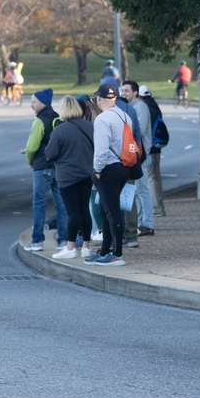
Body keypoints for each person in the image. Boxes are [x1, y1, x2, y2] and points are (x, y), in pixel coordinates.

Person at [86, 81, 132, 266]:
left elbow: (102, 150)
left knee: (111, 211)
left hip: (108, 169)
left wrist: (97, 170)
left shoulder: (102, 119)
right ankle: (105, 250)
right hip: (124, 166)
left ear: (99, 98)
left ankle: (117, 253)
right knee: (108, 210)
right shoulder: (124, 115)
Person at [44, 96, 95, 260]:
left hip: (67, 177)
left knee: (73, 212)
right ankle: (86, 246)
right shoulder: (89, 127)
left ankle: (71, 246)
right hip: (87, 174)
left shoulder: (59, 131)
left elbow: (50, 154)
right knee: (84, 210)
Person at [21, 88, 68, 252]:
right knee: (61, 204)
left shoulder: (39, 122)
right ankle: (63, 241)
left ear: (42, 103)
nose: (31, 105)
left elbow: (33, 146)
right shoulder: (57, 119)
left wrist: (30, 160)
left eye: (33, 101)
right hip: (58, 166)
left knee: (39, 203)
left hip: (42, 166)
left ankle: (37, 241)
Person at [120, 80, 155, 236]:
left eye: (127, 90)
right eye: (122, 90)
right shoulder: (129, 107)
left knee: (142, 191)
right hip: (132, 155)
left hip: (141, 155)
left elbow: (137, 132)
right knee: (135, 191)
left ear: (135, 92)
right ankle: (140, 223)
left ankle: (147, 224)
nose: (124, 93)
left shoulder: (140, 107)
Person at [138, 85, 167, 216]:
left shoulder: (145, 109)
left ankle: (157, 208)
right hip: (158, 147)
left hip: (150, 147)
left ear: (140, 96)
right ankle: (160, 205)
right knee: (156, 176)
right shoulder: (155, 106)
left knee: (150, 178)